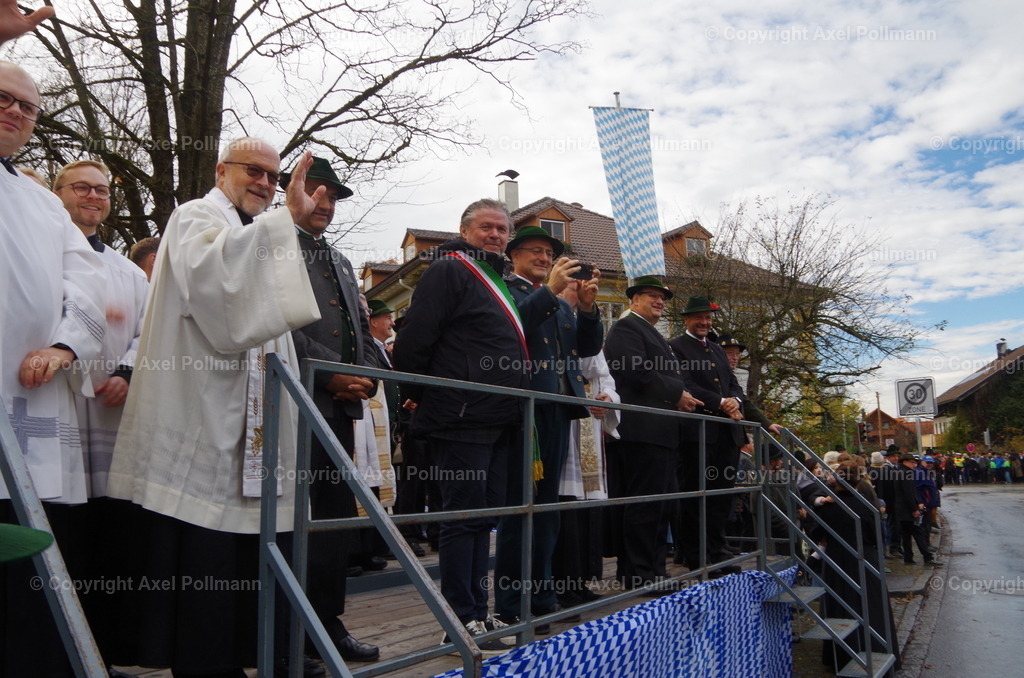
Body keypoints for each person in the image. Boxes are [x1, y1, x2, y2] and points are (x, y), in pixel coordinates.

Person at [105, 140, 324, 677]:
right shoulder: (195, 215)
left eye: (273, 177)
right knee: (205, 550)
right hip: (204, 411)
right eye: (255, 171)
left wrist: (278, 225)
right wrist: (285, 219)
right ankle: (207, 663)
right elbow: (220, 292)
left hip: (251, 416)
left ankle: (250, 653)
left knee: (247, 545)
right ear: (221, 169)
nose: (266, 183)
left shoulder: (251, 228)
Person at [0, 58, 107, 678]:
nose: (16, 111)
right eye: (3, 98)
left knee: (32, 566)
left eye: (28, 106)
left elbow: (87, 284)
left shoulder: (43, 207)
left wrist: (67, 346)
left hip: (33, 404)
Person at [392, 198, 526, 653]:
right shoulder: (449, 270)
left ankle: (479, 614)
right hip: (462, 415)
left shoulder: (495, 278)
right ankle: (459, 619)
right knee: (461, 518)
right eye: (486, 227)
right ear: (465, 231)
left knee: (482, 519)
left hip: (498, 417)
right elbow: (415, 337)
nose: (495, 235)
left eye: (502, 229)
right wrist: (422, 392)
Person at [278, 156, 379, 670]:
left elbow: (359, 328)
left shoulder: (339, 260)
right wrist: (323, 372)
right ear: (292, 193)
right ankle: (292, 629)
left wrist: (366, 376)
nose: (326, 204)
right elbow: (273, 321)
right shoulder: (271, 246)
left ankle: (328, 620)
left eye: (334, 197)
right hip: (293, 402)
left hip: (339, 408)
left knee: (334, 520)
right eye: (317, 192)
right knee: (297, 519)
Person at [493, 226, 603, 628]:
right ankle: (510, 603)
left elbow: (587, 349)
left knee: (549, 509)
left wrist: (588, 308)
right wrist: (551, 291)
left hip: (558, 407)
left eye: (549, 253)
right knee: (520, 510)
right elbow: (511, 331)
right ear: (514, 255)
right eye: (535, 252)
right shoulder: (507, 290)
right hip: (525, 411)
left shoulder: (556, 300)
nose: (544, 258)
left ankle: (542, 593)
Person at [603, 276, 701, 589]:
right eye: (651, 296)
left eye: (662, 297)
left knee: (661, 505)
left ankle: (654, 570)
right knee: (644, 504)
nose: (659, 301)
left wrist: (680, 392)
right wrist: (676, 393)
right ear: (634, 299)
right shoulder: (626, 328)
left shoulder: (651, 332)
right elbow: (635, 369)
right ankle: (638, 574)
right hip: (642, 431)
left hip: (661, 432)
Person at [668, 296, 746, 574]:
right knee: (696, 493)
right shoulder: (675, 347)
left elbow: (734, 383)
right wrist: (720, 402)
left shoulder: (715, 349)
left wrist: (736, 400)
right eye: (699, 318)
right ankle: (695, 554)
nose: (704, 322)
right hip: (697, 433)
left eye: (708, 318)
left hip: (726, 433)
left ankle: (717, 549)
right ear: (687, 319)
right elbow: (685, 385)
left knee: (721, 495)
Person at [813, 461, 900, 675]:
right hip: (865, 559)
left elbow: (816, 534)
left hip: (837, 561)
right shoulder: (866, 504)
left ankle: (841, 659)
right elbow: (875, 535)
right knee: (871, 606)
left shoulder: (830, 505)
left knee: (841, 607)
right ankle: (879, 652)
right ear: (858, 478)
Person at [891, 454, 940, 567]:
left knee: (906, 535)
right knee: (919, 533)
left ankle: (908, 558)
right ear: (905, 462)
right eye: (912, 462)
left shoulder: (898, 472)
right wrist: (915, 508)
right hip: (908, 509)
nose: (914, 464)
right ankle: (928, 557)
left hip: (901, 509)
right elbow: (909, 493)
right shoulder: (907, 473)